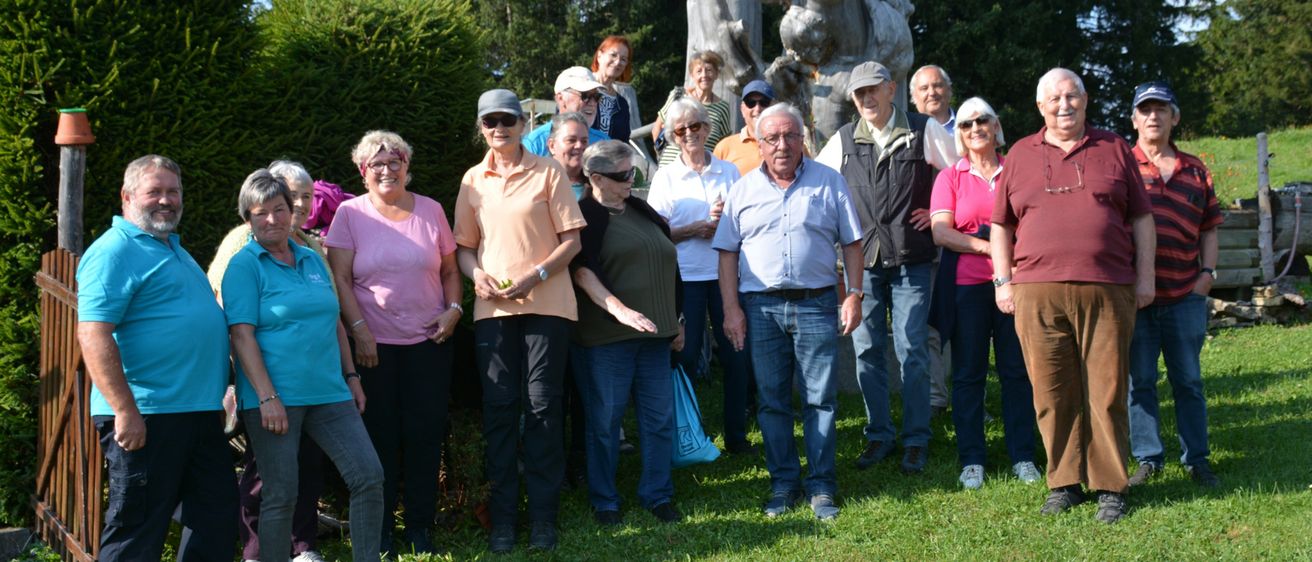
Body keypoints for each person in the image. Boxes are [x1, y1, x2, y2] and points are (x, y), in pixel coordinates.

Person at [990, 68, 1156, 524]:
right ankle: (1063, 482)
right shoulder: (1020, 154)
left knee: (1106, 389)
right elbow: (1001, 224)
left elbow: (1142, 219)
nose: (1064, 105)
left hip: (1107, 286)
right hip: (1036, 292)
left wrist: (1145, 278)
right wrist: (1003, 282)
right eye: (1054, 99)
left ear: (1085, 101)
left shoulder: (1115, 149)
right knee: (1051, 390)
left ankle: (1110, 486)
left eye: (1072, 96)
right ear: (1040, 107)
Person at [77, 155, 237, 562]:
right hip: (147, 416)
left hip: (197, 414)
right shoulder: (114, 250)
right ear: (127, 197)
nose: (166, 200)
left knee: (215, 521)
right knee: (137, 532)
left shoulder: (174, 250)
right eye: (155, 191)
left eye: (173, 191)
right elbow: (93, 333)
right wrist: (124, 410)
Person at [222, 169, 384, 562]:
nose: (272, 219)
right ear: (248, 218)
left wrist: (351, 376)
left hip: (330, 392)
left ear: (292, 211)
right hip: (276, 399)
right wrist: (266, 397)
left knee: (369, 478)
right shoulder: (244, 266)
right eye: (261, 213)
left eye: (279, 209)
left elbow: (333, 322)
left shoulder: (312, 259)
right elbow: (241, 336)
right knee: (281, 495)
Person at [713, 103, 865, 521]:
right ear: (758, 144)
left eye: (790, 136)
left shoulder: (829, 181)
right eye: (773, 138)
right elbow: (727, 254)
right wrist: (731, 309)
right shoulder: (742, 190)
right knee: (772, 402)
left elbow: (852, 243)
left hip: (817, 303)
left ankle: (821, 486)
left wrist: (854, 294)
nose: (782, 145)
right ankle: (783, 483)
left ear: (803, 139)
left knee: (821, 399)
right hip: (760, 308)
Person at [454, 89, 585, 553]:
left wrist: (537, 274)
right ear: (481, 127)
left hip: (547, 306)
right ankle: (505, 520)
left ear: (522, 124)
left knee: (545, 410)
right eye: (490, 121)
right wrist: (477, 276)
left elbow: (572, 241)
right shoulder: (472, 180)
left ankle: (544, 519)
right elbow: (464, 248)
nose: (499, 128)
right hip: (493, 312)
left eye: (507, 119)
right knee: (500, 412)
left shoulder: (548, 171)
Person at [814, 60, 956, 474]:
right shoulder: (842, 140)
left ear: (891, 89)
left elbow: (958, 176)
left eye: (874, 89)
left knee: (912, 349)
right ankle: (879, 435)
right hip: (864, 265)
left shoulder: (922, 129)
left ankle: (916, 438)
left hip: (913, 258)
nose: (867, 98)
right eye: (859, 94)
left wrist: (938, 211)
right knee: (866, 351)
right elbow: (819, 187)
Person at [325, 130, 463, 553]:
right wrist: (360, 331)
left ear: (407, 166)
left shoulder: (432, 210)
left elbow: (450, 272)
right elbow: (340, 281)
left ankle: (420, 529)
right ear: (362, 172)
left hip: (429, 344)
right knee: (378, 440)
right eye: (376, 164)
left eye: (394, 161)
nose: (386, 169)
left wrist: (454, 311)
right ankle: (380, 531)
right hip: (374, 348)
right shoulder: (350, 214)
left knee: (425, 436)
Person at [206, 160, 334, 562]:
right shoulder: (241, 244)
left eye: (303, 198)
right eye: (288, 197)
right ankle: (257, 551)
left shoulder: (309, 248)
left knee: (307, 465)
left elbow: (328, 305)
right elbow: (227, 308)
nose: (295, 206)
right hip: (264, 383)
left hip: (313, 381)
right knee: (266, 472)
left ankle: (302, 546)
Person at [571, 140, 685, 526]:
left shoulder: (640, 208)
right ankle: (605, 501)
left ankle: (658, 494)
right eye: (622, 176)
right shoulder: (585, 215)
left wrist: (677, 319)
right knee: (605, 421)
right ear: (595, 177)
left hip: (656, 336)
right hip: (608, 338)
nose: (630, 180)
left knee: (659, 419)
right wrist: (619, 310)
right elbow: (582, 271)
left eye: (633, 172)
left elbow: (668, 263)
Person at [927, 97, 1040, 490]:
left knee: (1017, 372)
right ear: (958, 134)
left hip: (1017, 285)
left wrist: (1004, 254)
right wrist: (989, 247)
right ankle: (972, 458)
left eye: (982, 121)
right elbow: (941, 232)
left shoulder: (1018, 170)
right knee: (968, 375)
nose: (974, 128)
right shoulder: (950, 178)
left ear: (996, 126)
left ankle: (1023, 455)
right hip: (968, 289)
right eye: (966, 124)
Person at [1125, 81, 1223, 488]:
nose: (1153, 116)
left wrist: (1207, 276)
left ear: (1174, 117)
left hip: (1185, 294)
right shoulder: (1123, 167)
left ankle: (1197, 458)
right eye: (1145, 110)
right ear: (1133, 119)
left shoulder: (1196, 169)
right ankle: (1148, 459)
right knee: (1140, 383)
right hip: (1137, 298)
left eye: (1161, 109)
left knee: (1189, 381)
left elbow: (1211, 228)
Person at [647, 97, 754, 454]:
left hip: (726, 277)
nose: (689, 134)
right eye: (681, 130)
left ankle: (737, 438)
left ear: (708, 129)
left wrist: (725, 223)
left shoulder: (729, 171)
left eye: (695, 126)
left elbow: (745, 224)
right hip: (686, 279)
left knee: (736, 356)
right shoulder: (665, 177)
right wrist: (693, 229)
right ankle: (691, 438)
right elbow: (656, 234)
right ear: (674, 137)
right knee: (687, 357)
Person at [652, 50, 733, 167]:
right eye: (699, 71)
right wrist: (660, 153)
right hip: (670, 165)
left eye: (709, 70)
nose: (704, 75)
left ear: (716, 74)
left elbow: (725, 143)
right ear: (692, 75)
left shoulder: (722, 107)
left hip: (703, 168)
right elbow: (657, 128)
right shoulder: (678, 96)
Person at [523, 67, 610, 157]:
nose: (592, 103)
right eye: (585, 96)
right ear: (561, 99)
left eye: (596, 97)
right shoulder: (534, 143)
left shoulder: (604, 143)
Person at [713, 79, 775, 176]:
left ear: (773, 106)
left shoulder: (791, 144)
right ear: (742, 109)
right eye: (751, 103)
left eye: (764, 102)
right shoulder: (724, 148)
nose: (757, 108)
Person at [590, 35, 640, 142]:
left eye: (623, 59)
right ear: (599, 56)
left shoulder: (622, 104)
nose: (617, 62)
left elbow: (623, 142)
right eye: (613, 55)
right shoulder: (580, 88)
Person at [548, 112, 592, 199]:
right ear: (552, 146)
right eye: (571, 140)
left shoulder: (598, 183)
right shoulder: (537, 183)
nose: (579, 146)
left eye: (584, 141)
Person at [910, 65, 956, 133]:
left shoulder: (970, 124)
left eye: (937, 86)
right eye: (924, 88)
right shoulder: (907, 132)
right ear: (914, 96)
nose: (932, 93)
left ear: (949, 90)